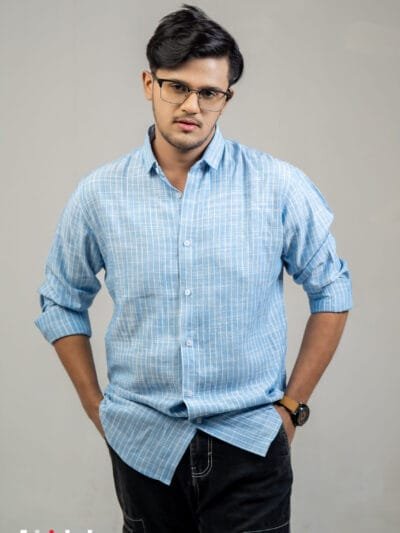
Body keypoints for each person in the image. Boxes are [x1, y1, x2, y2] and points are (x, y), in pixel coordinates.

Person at [34, 4, 352, 532]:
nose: (191, 106)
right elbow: (60, 301)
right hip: (142, 446)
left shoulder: (277, 186)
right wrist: (97, 408)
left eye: (209, 93)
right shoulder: (99, 195)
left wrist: (292, 407)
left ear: (227, 98)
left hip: (250, 443)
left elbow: (333, 291)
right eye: (176, 87)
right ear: (148, 83)